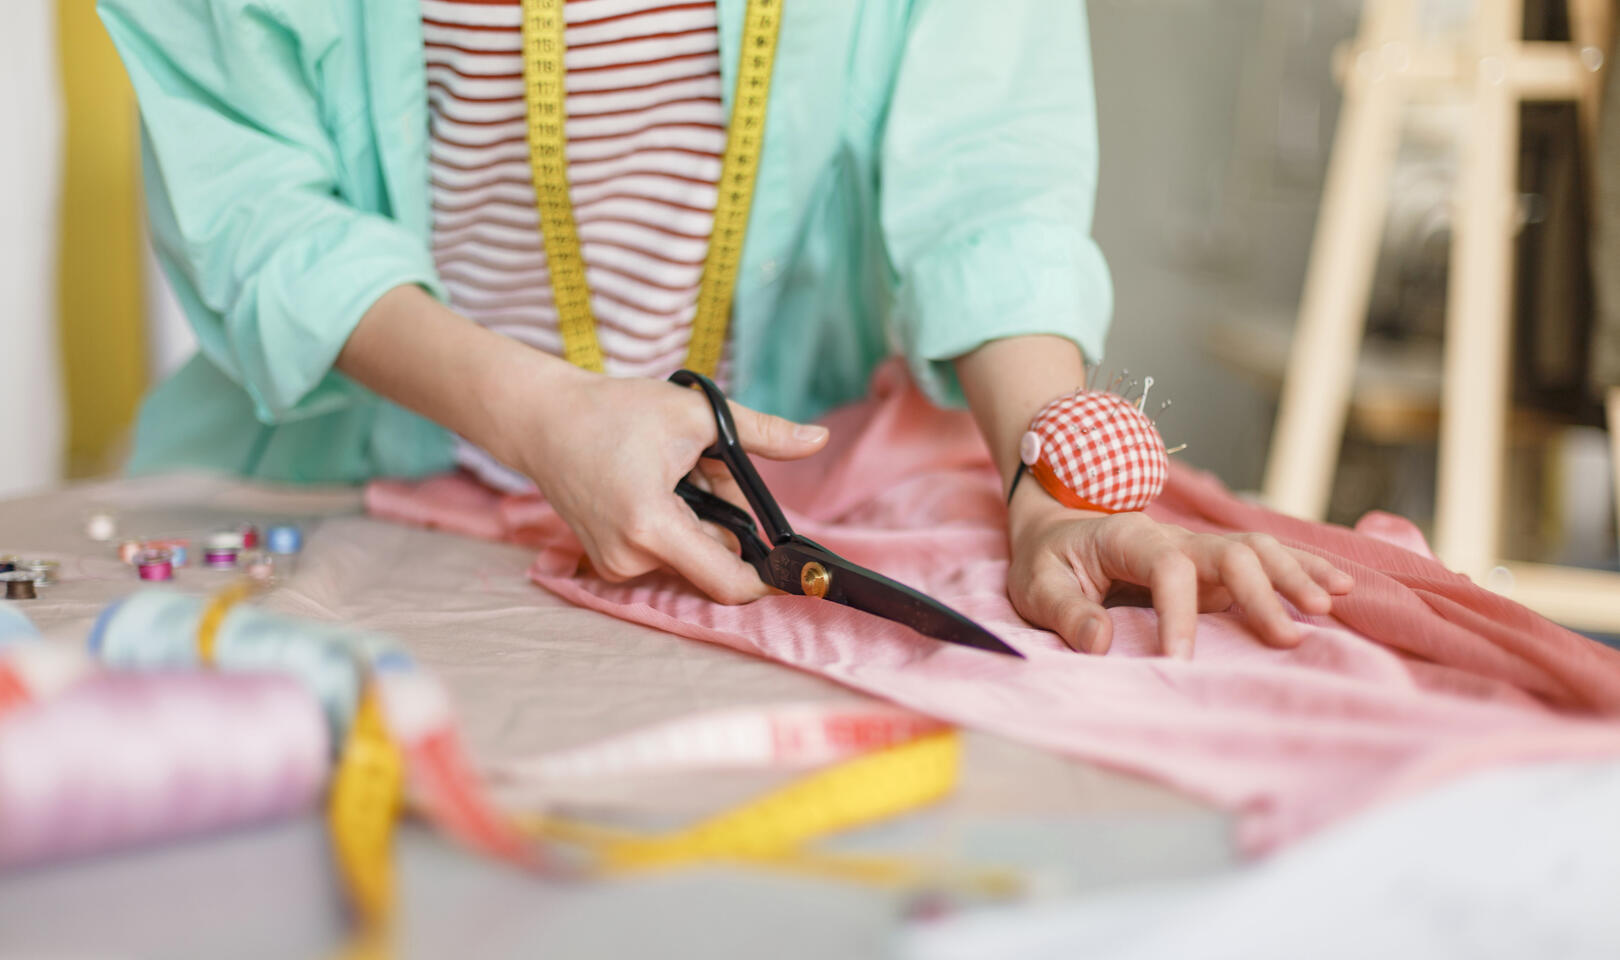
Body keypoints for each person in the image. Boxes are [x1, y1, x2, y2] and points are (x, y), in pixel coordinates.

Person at [100, 0, 1351, 658]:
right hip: (345, 487)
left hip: (785, 487)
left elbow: (988, 173)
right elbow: (257, 208)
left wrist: (1046, 488)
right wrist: (540, 414)